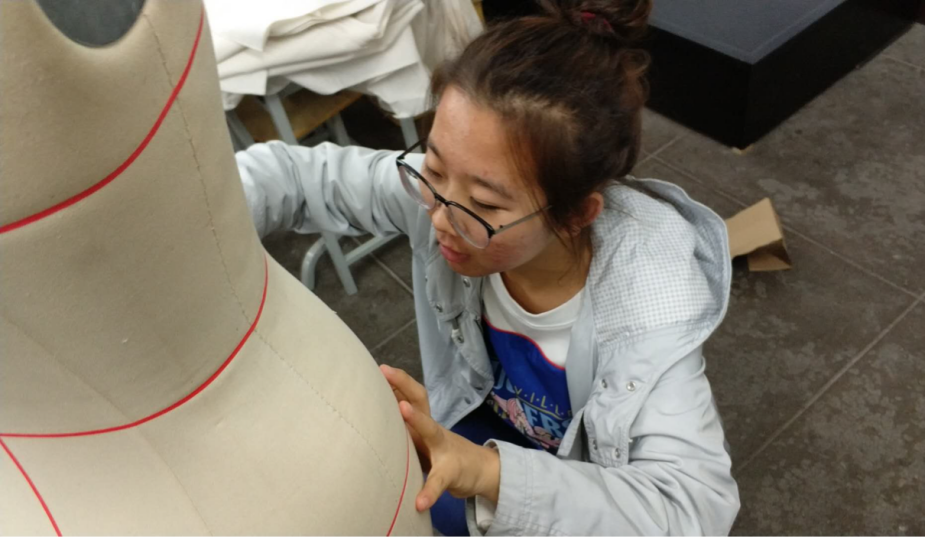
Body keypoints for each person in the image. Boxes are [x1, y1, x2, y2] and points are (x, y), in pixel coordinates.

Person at [236, 1, 740, 535]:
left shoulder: (647, 312)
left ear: (575, 215)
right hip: (480, 426)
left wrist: (487, 472)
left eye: (485, 205)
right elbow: (291, 175)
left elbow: (694, 508)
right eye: (433, 168)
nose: (439, 218)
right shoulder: (444, 194)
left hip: (583, 486)